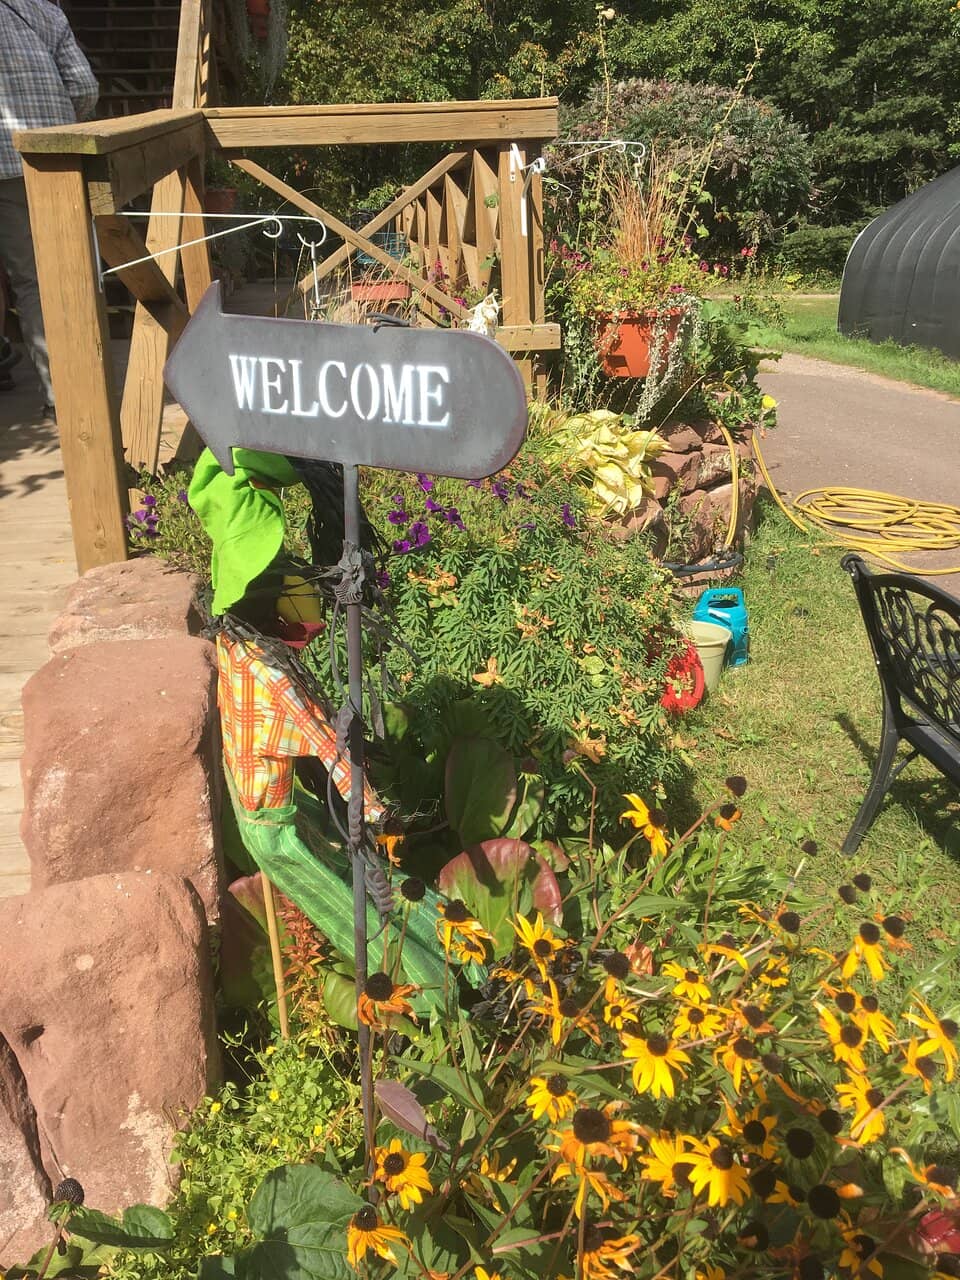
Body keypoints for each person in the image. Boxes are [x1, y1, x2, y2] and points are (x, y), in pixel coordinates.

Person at [0, 0, 99, 417]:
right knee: (50, 277)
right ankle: (68, 395)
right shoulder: (41, 11)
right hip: (45, 162)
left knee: (31, 279)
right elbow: (84, 88)